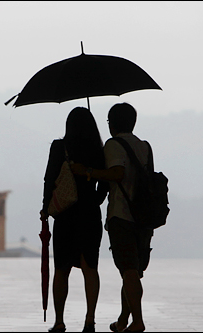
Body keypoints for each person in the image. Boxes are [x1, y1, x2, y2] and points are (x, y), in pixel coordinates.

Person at [72, 103, 153, 333]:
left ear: (112, 123)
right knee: (133, 272)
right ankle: (122, 320)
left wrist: (87, 172)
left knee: (128, 270)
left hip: (122, 215)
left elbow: (116, 174)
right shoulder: (145, 146)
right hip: (144, 218)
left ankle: (137, 321)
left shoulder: (113, 145)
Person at [40, 107, 108, 333]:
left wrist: (45, 208)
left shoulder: (59, 147)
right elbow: (105, 182)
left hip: (65, 216)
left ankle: (59, 322)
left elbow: (49, 178)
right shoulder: (99, 150)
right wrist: (96, 198)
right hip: (89, 214)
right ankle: (90, 320)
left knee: (61, 269)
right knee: (90, 267)